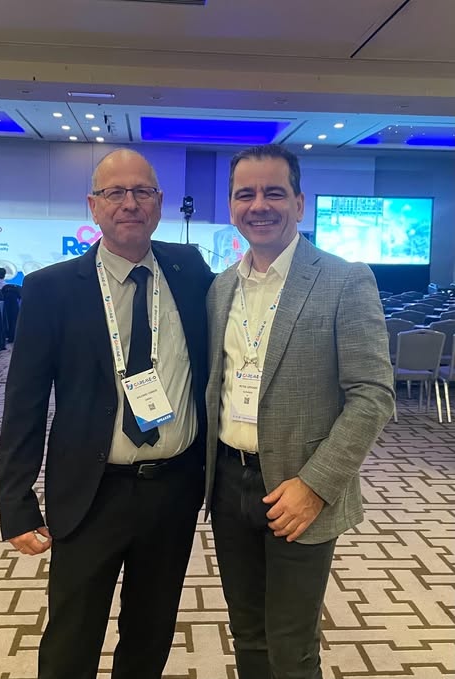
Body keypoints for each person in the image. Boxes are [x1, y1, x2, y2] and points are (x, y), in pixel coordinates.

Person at [0, 148, 214, 679]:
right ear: (93, 206)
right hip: (90, 491)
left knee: (150, 633)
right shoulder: (50, 288)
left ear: (160, 202)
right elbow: (25, 401)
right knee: (72, 638)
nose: (129, 203)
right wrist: (16, 502)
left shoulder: (190, 271)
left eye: (142, 191)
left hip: (173, 489)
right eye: (115, 192)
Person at [204, 144, 394, 679]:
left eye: (274, 192)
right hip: (229, 483)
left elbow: (373, 394)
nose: (259, 205)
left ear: (299, 202)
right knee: (248, 635)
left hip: (300, 488)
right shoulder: (221, 288)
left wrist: (315, 485)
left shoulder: (344, 279)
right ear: (232, 205)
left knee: (291, 648)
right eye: (245, 194)